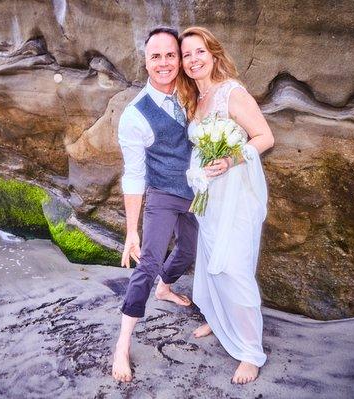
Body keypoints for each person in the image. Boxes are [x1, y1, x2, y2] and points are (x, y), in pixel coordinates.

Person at [177, 26, 275, 384]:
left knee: (234, 267)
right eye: (187, 55)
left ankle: (250, 352)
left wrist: (232, 160)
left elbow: (265, 136)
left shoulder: (232, 92)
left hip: (238, 194)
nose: (193, 60)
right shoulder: (195, 100)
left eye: (199, 52)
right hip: (210, 198)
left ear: (213, 54)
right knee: (211, 261)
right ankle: (219, 320)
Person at [112, 27, 199, 383]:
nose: (164, 63)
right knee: (147, 263)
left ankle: (166, 286)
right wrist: (131, 230)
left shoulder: (193, 91)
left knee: (190, 251)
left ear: (179, 59)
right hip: (162, 197)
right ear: (145, 62)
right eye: (155, 56)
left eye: (170, 55)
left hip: (197, 194)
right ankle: (122, 342)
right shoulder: (134, 115)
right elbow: (133, 176)